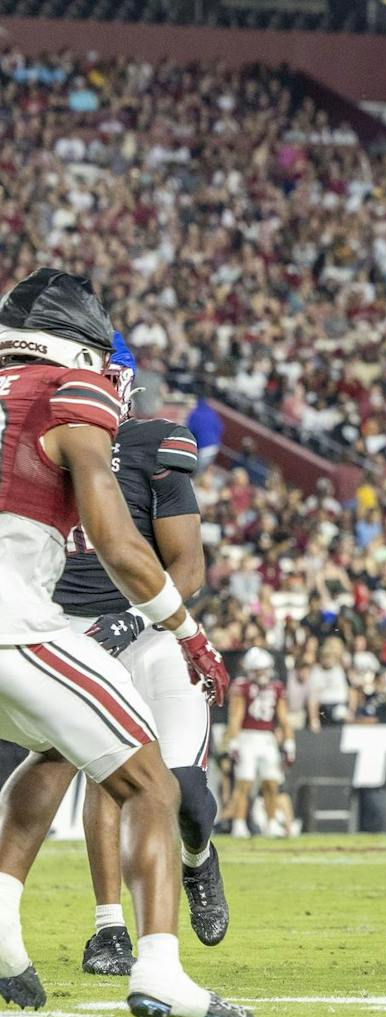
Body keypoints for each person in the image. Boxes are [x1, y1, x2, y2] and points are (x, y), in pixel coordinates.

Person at [0, 268, 248, 1017]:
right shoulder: (70, 393)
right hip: (15, 618)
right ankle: (161, 970)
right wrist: (191, 630)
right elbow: (118, 543)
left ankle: (4, 934)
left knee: (52, 748)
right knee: (150, 781)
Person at [51, 334, 229, 975]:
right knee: (108, 773)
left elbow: (187, 567)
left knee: (185, 795)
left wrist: (132, 620)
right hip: (73, 634)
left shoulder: (155, 444)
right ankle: (108, 930)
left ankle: (196, 857)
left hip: (153, 632)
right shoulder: (36, 444)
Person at [222, 648, 295, 839]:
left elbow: (283, 718)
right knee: (244, 783)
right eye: (259, 670)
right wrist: (233, 742)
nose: (263, 673)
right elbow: (235, 717)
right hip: (247, 736)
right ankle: (238, 824)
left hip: (268, 738)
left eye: (265, 669)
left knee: (271, 783)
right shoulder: (242, 687)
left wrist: (289, 744)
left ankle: (271, 823)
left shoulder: (276, 687)